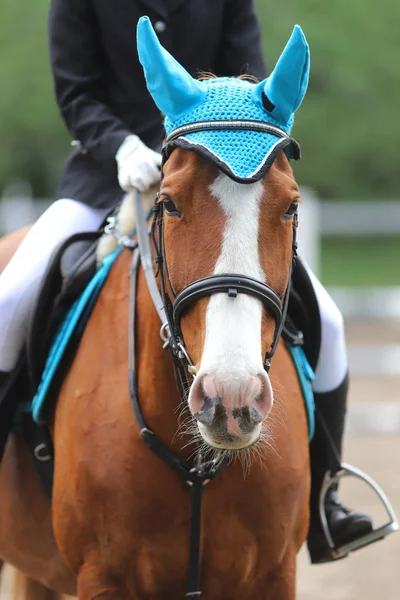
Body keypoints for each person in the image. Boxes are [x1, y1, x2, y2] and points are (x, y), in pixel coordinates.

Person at [0, 0, 373, 564]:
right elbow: (77, 94)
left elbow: (250, 84)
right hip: (105, 178)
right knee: (11, 296)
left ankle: (326, 501)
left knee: (331, 322)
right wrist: (121, 145)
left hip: (216, 181)